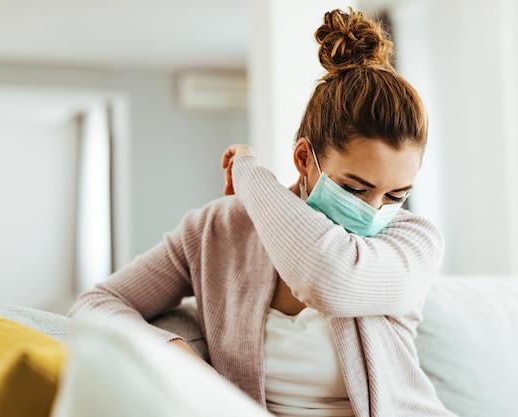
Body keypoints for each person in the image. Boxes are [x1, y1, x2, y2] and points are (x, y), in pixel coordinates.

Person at [69, 8, 456, 417]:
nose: (373, 211)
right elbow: (97, 304)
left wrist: (251, 176)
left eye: (396, 195)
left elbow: (329, 277)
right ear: (305, 158)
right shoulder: (215, 231)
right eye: (355, 189)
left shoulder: (414, 240)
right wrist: (177, 351)